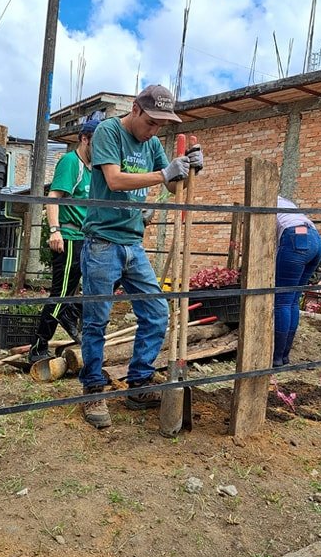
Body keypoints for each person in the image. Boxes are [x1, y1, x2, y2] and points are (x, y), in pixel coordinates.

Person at [78, 85, 204, 428]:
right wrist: (165, 173)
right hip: (102, 241)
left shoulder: (151, 144)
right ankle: (92, 390)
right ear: (135, 109)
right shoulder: (108, 131)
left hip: (133, 243)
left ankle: (138, 383)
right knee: (96, 321)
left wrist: (191, 170)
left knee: (156, 312)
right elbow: (115, 180)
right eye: (150, 122)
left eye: (161, 125)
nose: (154, 130)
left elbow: (174, 187)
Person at [27, 119, 99, 364]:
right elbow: (54, 197)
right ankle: (38, 346)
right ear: (85, 139)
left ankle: (71, 313)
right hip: (68, 238)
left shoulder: (93, 169)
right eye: (97, 143)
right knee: (59, 295)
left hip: (86, 238)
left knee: (95, 285)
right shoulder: (71, 163)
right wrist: (55, 231)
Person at [274, 195, 321, 367]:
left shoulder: (262, 199)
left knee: (281, 301)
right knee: (293, 299)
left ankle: (276, 357)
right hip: (315, 239)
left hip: (296, 239)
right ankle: (284, 356)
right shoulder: (286, 202)